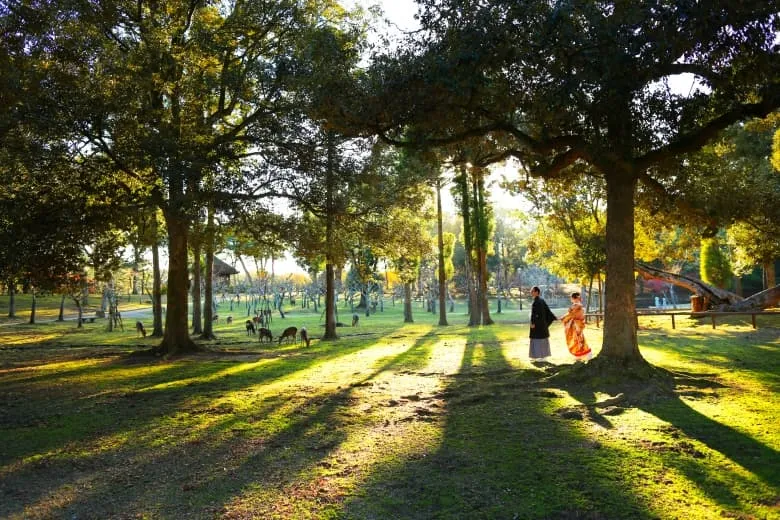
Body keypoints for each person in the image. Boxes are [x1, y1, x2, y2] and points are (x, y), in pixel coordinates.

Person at [561, 292, 592, 361]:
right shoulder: (578, 305)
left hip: (575, 325)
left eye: (571, 298)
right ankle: (581, 354)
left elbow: (570, 315)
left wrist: (563, 318)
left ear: (572, 298)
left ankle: (584, 354)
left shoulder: (575, 306)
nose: (571, 299)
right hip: (578, 324)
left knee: (577, 339)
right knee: (579, 339)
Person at [529, 286, 556, 361]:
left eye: (532, 291)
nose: (531, 292)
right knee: (538, 340)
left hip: (538, 325)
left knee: (539, 340)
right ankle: (536, 356)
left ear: (537, 292)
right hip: (542, 325)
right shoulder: (541, 300)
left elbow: (535, 314)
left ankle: (541, 357)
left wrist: (533, 323)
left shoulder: (537, 301)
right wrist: (553, 317)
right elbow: (548, 311)